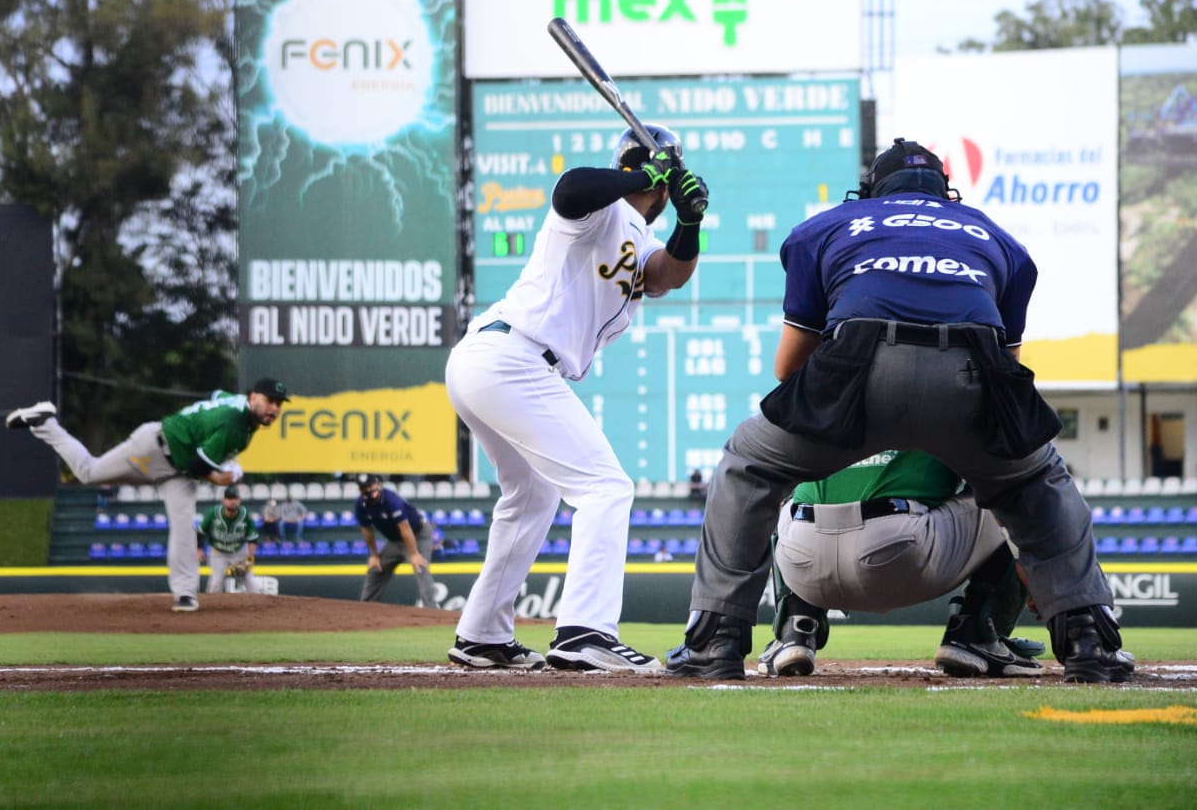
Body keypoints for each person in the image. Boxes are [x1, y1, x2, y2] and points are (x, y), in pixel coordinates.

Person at [664, 138, 1132, 684]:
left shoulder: (830, 224)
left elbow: (788, 366)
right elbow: (1011, 373)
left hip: (855, 369)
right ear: (944, 191)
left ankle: (716, 639)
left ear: (871, 189)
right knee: (1037, 481)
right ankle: (1087, 640)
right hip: (971, 369)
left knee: (750, 463)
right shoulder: (995, 237)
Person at [444, 124, 708, 672]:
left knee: (532, 498)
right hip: (512, 357)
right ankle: (585, 632)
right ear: (653, 180)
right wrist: (647, 174)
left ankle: (482, 635)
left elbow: (668, 275)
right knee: (606, 487)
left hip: (496, 362)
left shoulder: (641, 235)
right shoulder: (600, 208)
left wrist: (690, 221)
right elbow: (570, 188)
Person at [6, 377, 291, 612]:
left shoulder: (234, 402)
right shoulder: (236, 426)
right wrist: (221, 477)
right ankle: (45, 423)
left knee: (183, 527)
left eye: (278, 404)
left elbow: (213, 392)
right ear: (253, 397)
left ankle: (185, 594)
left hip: (177, 471)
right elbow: (199, 466)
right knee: (88, 473)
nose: (274, 409)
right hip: (153, 449)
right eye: (269, 401)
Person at [757, 450, 1044, 679]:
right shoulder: (946, 402)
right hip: (897, 552)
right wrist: (1035, 565)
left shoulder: (826, 405)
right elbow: (1004, 484)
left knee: (787, 505)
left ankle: (795, 630)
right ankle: (976, 635)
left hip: (805, 563)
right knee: (1000, 494)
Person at [353, 475, 438, 607]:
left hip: (418, 534)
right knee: (376, 568)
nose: (368, 490)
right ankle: (365, 607)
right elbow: (367, 531)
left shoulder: (390, 500)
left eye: (370, 486)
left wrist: (414, 554)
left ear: (378, 485)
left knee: (420, 566)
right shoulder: (361, 504)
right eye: (364, 488)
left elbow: (405, 529)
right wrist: (375, 555)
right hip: (395, 541)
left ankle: (432, 609)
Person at [197, 485, 261, 595]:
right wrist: (199, 549)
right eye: (229, 499)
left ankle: (260, 608)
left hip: (239, 552)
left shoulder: (245, 515)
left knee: (250, 582)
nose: (232, 502)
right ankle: (212, 609)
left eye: (235, 499)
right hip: (218, 552)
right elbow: (201, 532)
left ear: (239, 500)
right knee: (216, 583)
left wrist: (250, 558)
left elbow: (253, 539)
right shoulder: (213, 513)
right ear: (224, 501)